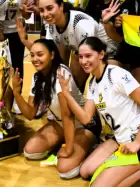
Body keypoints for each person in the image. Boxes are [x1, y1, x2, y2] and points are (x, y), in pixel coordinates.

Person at [58, 37, 140, 187]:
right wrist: (66, 94)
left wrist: (137, 142)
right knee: (85, 171)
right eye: (81, 57)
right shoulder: (93, 83)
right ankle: (124, 166)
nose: (83, 61)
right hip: (119, 139)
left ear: (101, 54)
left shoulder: (116, 75)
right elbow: (85, 117)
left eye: (88, 56)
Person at [11, 38, 101, 179]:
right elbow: (30, 114)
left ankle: (90, 143)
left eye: (40, 54)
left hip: (84, 125)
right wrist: (16, 93)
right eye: (32, 55)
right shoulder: (37, 77)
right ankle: (65, 141)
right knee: (30, 151)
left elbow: (68, 115)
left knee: (65, 171)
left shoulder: (61, 73)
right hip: (60, 123)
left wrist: (69, 149)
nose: (35, 59)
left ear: (52, 55)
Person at [17, 0, 118, 92]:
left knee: (99, 87)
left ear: (61, 7)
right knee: (70, 84)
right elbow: (46, 53)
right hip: (81, 51)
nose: (45, 14)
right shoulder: (50, 24)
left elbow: (93, 55)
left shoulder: (81, 24)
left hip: (109, 52)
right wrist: (24, 41)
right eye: (42, 10)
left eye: (49, 8)